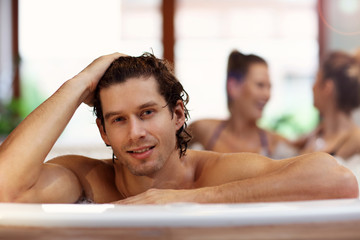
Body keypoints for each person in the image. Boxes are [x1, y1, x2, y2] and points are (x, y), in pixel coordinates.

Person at [0, 52, 357, 204]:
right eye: (118, 119)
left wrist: (182, 200)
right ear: (103, 133)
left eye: (147, 112)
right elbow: (6, 190)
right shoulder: (88, 179)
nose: (135, 131)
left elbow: (338, 181)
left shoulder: (213, 173)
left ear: (177, 115)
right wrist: (79, 83)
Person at [189, 50, 296, 159]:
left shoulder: (273, 141)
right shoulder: (202, 130)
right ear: (233, 87)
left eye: (269, 87)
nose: (267, 94)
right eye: (260, 85)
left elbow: (301, 151)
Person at [296, 51, 360, 159]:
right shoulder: (317, 133)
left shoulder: (356, 140)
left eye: (316, 79)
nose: (312, 87)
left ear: (327, 87)